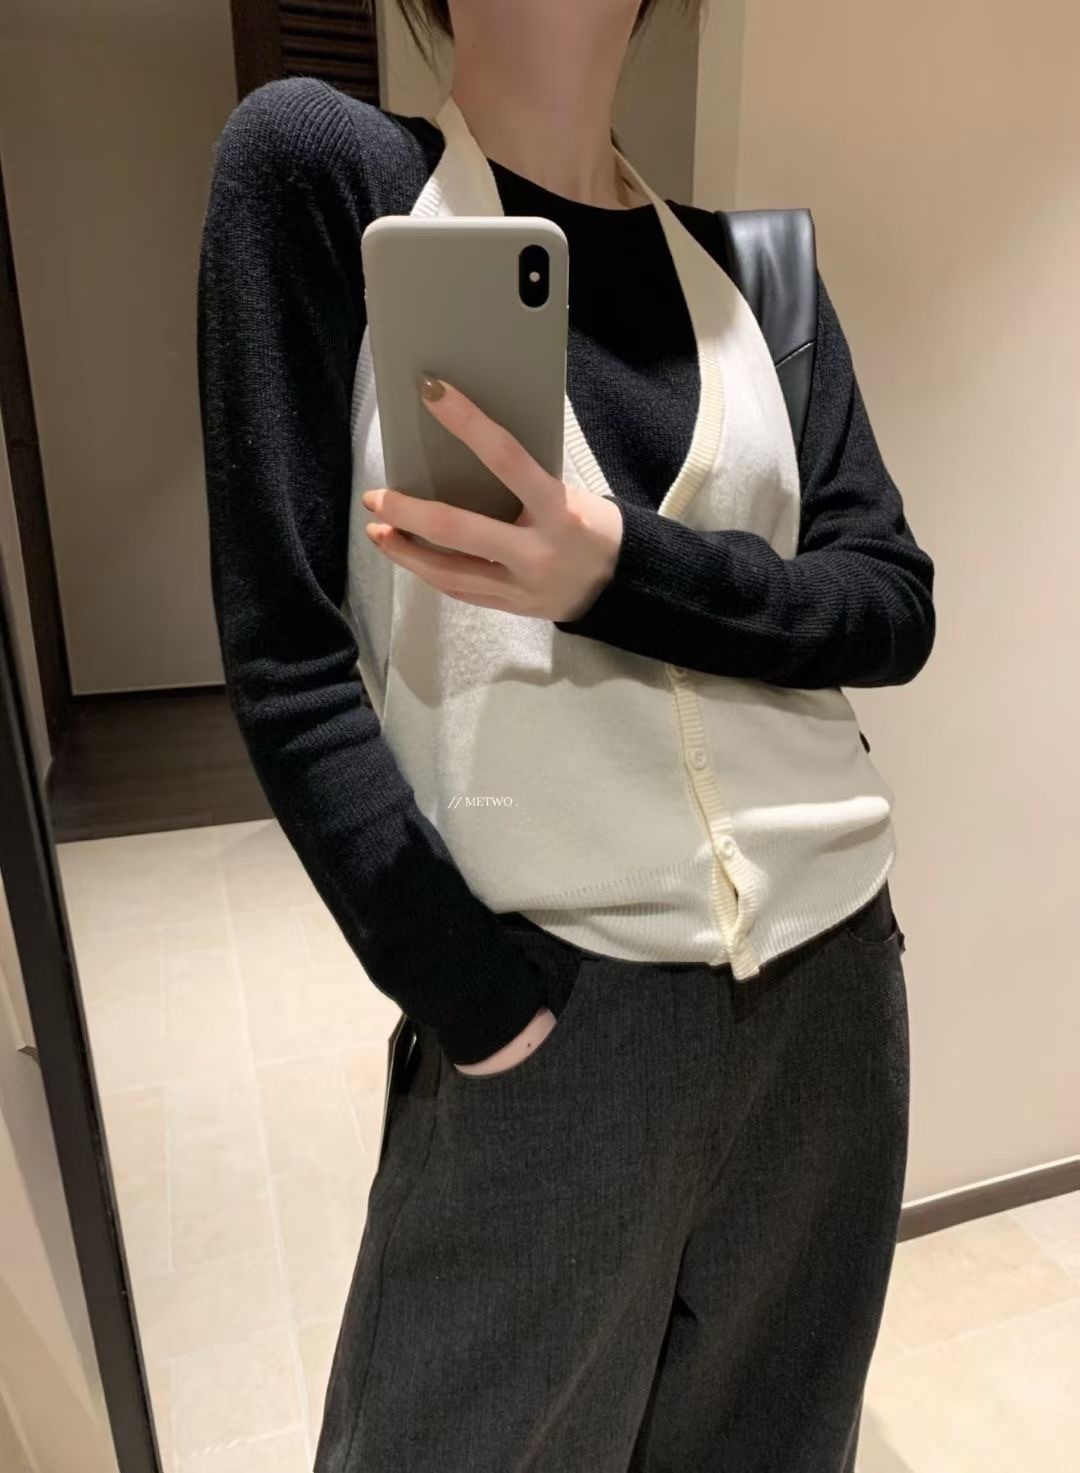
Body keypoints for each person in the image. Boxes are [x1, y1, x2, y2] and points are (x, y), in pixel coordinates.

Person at [196, 1, 936, 1468]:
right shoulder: (324, 174)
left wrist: (616, 569)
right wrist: (470, 997)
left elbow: (888, 603)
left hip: (833, 990)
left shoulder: (762, 272)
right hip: (558, 1014)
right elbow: (284, 653)